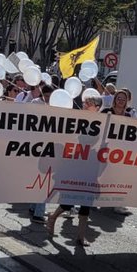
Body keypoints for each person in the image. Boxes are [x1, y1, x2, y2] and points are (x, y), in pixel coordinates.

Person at [46, 90, 102, 246]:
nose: (88, 105)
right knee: (69, 200)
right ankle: (53, 217)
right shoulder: (78, 119)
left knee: (86, 203)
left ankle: (80, 237)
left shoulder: (102, 121)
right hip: (77, 162)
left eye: (92, 103)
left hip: (91, 163)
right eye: (86, 103)